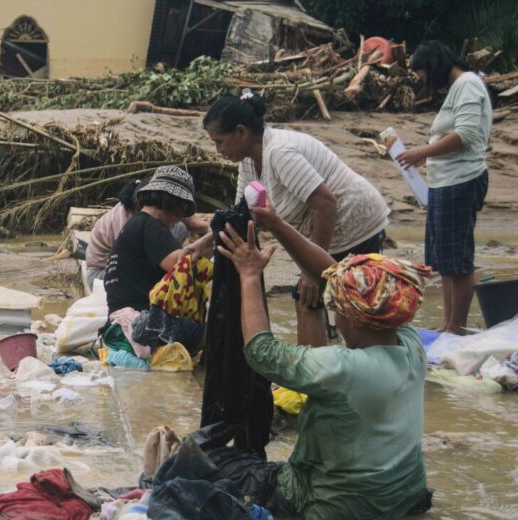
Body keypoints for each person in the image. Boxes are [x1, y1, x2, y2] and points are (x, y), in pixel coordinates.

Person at [208, 205, 433, 520]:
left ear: (352, 319)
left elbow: (261, 351)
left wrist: (249, 276)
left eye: (336, 306)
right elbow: (335, 275)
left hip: (333, 507)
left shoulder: (344, 368)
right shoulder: (410, 344)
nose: (334, 312)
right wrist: (278, 225)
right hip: (405, 498)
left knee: (214, 460)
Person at [188, 90, 390, 347]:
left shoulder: (279, 153)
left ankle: (333, 375)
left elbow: (326, 204)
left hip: (356, 222)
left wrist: (312, 272)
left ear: (241, 132)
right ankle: (315, 378)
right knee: (309, 301)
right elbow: (240, 217)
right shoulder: (249, 161)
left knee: (351, 309)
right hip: (328, 230)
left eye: (219, 141)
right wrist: (204, 244)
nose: (218, 150)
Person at [396, 40, 492, 335]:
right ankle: (449, 323)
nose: (423, 80)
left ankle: (457, 326)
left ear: (435, 66)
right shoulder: (459, 87)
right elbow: (455, 137)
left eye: (423, 73)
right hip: (446, 182)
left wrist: (422, 152)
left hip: (461, 181)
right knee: (446, 259)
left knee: (458, 258)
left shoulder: (467, 85)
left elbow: (465, 135)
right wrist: (428, 155)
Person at [100, 166, 199, 366]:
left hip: (116, 323)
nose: (180, 218)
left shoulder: (133, 224)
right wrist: (208, 243)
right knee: (207, 328)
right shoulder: (152, 226)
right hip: (140, 324)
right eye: (181, 210)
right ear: (171, 201)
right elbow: (180, 265)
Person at [85, 179, 208, 288]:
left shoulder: (147, 211)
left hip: (125, 263)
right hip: (102, 273)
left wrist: (205, 228)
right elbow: (177, 265)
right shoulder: (129, 223)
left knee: (180, 227)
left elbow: (187, 218)